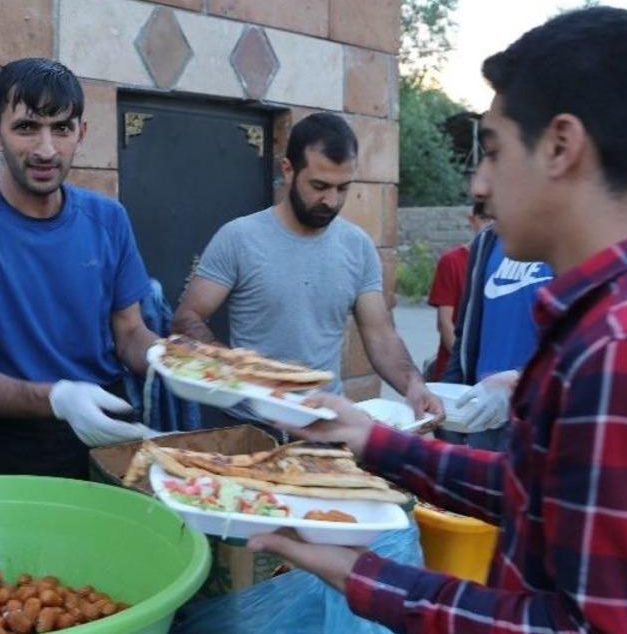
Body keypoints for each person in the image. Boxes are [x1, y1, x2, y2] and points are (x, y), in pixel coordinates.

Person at [250, 7, 627, 634]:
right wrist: (372, 441)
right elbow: (555, 502)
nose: (479, 183)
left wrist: (359, 574)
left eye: (494, 151)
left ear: (561, 145)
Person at [0, 58, 156, 479]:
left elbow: (131, 333)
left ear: (80, 133)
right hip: (21, 438)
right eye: (27, 127)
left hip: (113, 419)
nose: (46, 149)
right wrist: (59, 399)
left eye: (62, 128)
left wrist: (182, 362)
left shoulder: (109, 218)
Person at [172, 112, 442, 420]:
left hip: (325, 424)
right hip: (250, 425)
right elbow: (186, 320)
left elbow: (380, 335)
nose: (331, 200)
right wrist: (241, 373)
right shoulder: (239, 238)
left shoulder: (358, 247)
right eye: (319, 185)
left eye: (342, 188)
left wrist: (414, 385)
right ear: (288, 170)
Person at [440, 194, 553, 449]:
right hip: (484, 409)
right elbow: (466, 331)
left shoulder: (568, 242)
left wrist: (519, 381)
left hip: (538, 411)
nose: (481, 185)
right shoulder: (486, 242)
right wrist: (448, 395)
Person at [426, 201, 490, 380]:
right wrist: (464, 362)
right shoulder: (452, 261)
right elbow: (445, 323)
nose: (489, 225)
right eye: (484, 218)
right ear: (472, 220)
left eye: (494, 219)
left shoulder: (505, 261)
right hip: (456, 366)